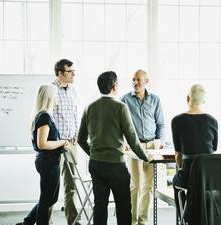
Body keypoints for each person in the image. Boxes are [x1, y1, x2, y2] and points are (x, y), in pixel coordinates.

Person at [77, 71, 151, 225]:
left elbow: (80, 139)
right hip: (115, 165)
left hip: (96, 164)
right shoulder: (120, 107)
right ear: (115, 87)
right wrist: (145, 156)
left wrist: (93, 153)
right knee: (123, 206)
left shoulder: (89, 107)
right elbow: (132, 138)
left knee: (100, 206)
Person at [16, 84, 69, 225]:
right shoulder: (44, 116)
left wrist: (60, 143)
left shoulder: (42, 114)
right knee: (47, 199)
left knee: (48, 198)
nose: (57, 97)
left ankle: (27, 222)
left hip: (47, 161)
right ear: (50, 96)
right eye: (56, 94)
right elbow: (42, 144)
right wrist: (62, 142)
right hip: (48, 161)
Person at [121, 69, 165, 225]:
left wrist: (160, 140)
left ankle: (143, 220)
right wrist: (124, 141)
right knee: (135, 184)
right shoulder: (124, 100)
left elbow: (160, 124)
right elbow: (120, 125)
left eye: (139, 79)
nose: (135, 82)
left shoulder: (155, 100)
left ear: (147, 81)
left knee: (147, 185)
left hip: (152, 145)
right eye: (133, 79)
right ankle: (131, 220)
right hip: (134, 145)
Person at [171, 84, 218, 219]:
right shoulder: (212, 121)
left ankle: (184, 219)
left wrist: (181, 169)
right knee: (199, 186)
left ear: (187, 98)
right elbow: (213, 150)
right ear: (203, 101)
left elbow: (178, 154)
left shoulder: (177, 121)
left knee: (176, 181)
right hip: (208, 179)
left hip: (188, 177)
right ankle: (205, 216)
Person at [51, 59, 80, 225]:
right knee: (52, 186)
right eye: (70, 71)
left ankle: (73, 220)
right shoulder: (51, 90)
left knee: (71, 184)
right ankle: (46, 221)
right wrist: (58, 140)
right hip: (55, 145)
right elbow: (48, 118)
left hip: (71, 144)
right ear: (60, 73)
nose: (73, 74)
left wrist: (75, 133)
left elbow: (75, 115)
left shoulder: (73, 91)